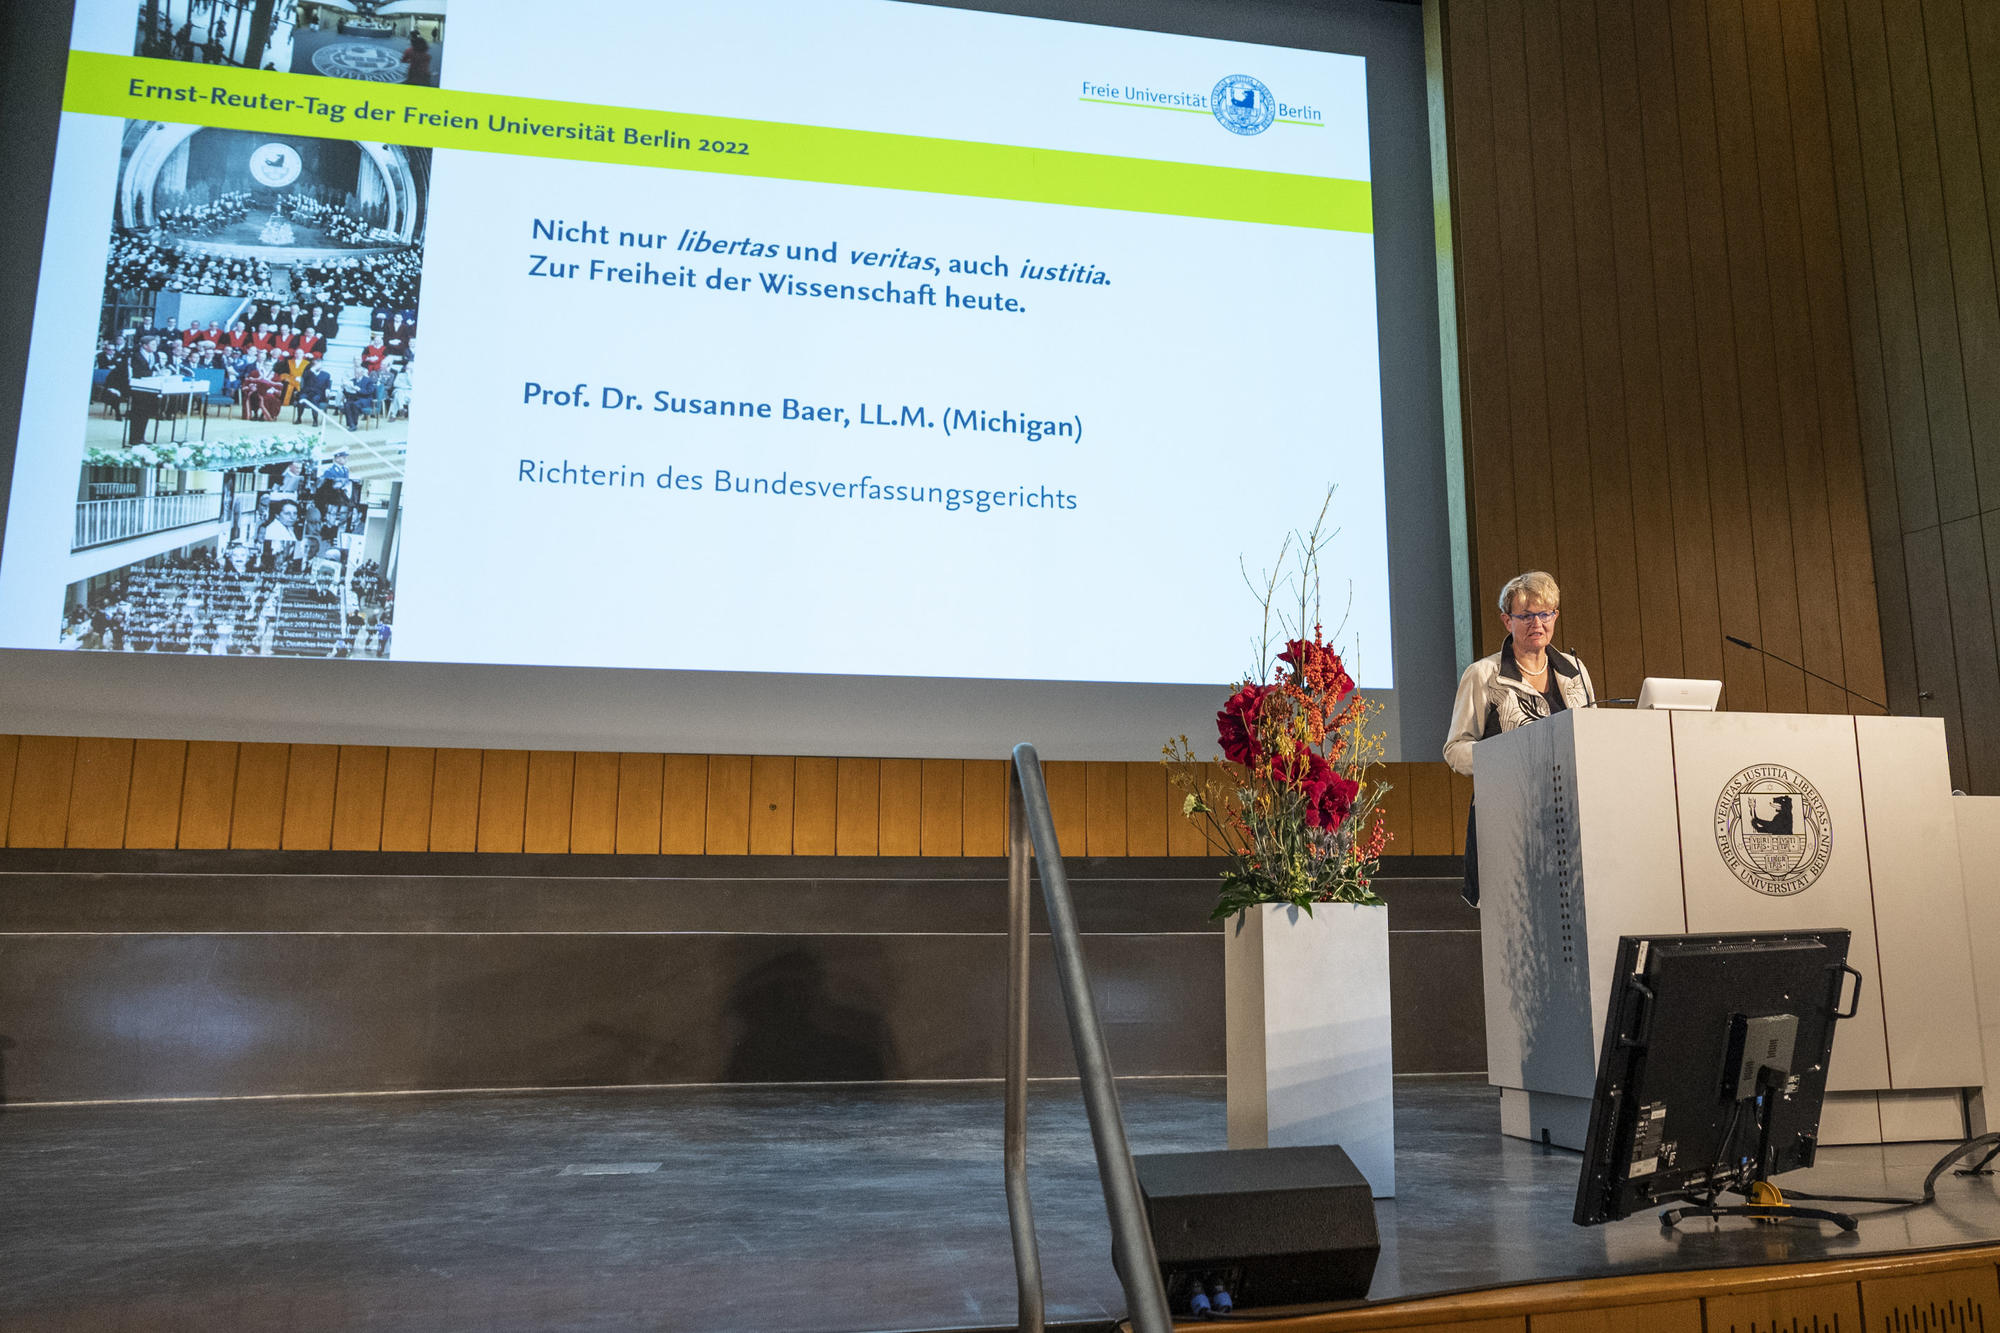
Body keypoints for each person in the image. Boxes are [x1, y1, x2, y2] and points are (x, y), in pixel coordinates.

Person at [1442, 570, 1595, 908]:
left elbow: (1591, 737)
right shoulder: (1484, 675)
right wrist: (1506, 757)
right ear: (1506, 621)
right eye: (1525, 615)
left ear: (1555, 615)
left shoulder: (1575, 671)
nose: (1536, 623)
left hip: (1572, 821)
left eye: (1545, 613)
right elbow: (1455, 750)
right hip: (1508, 822)